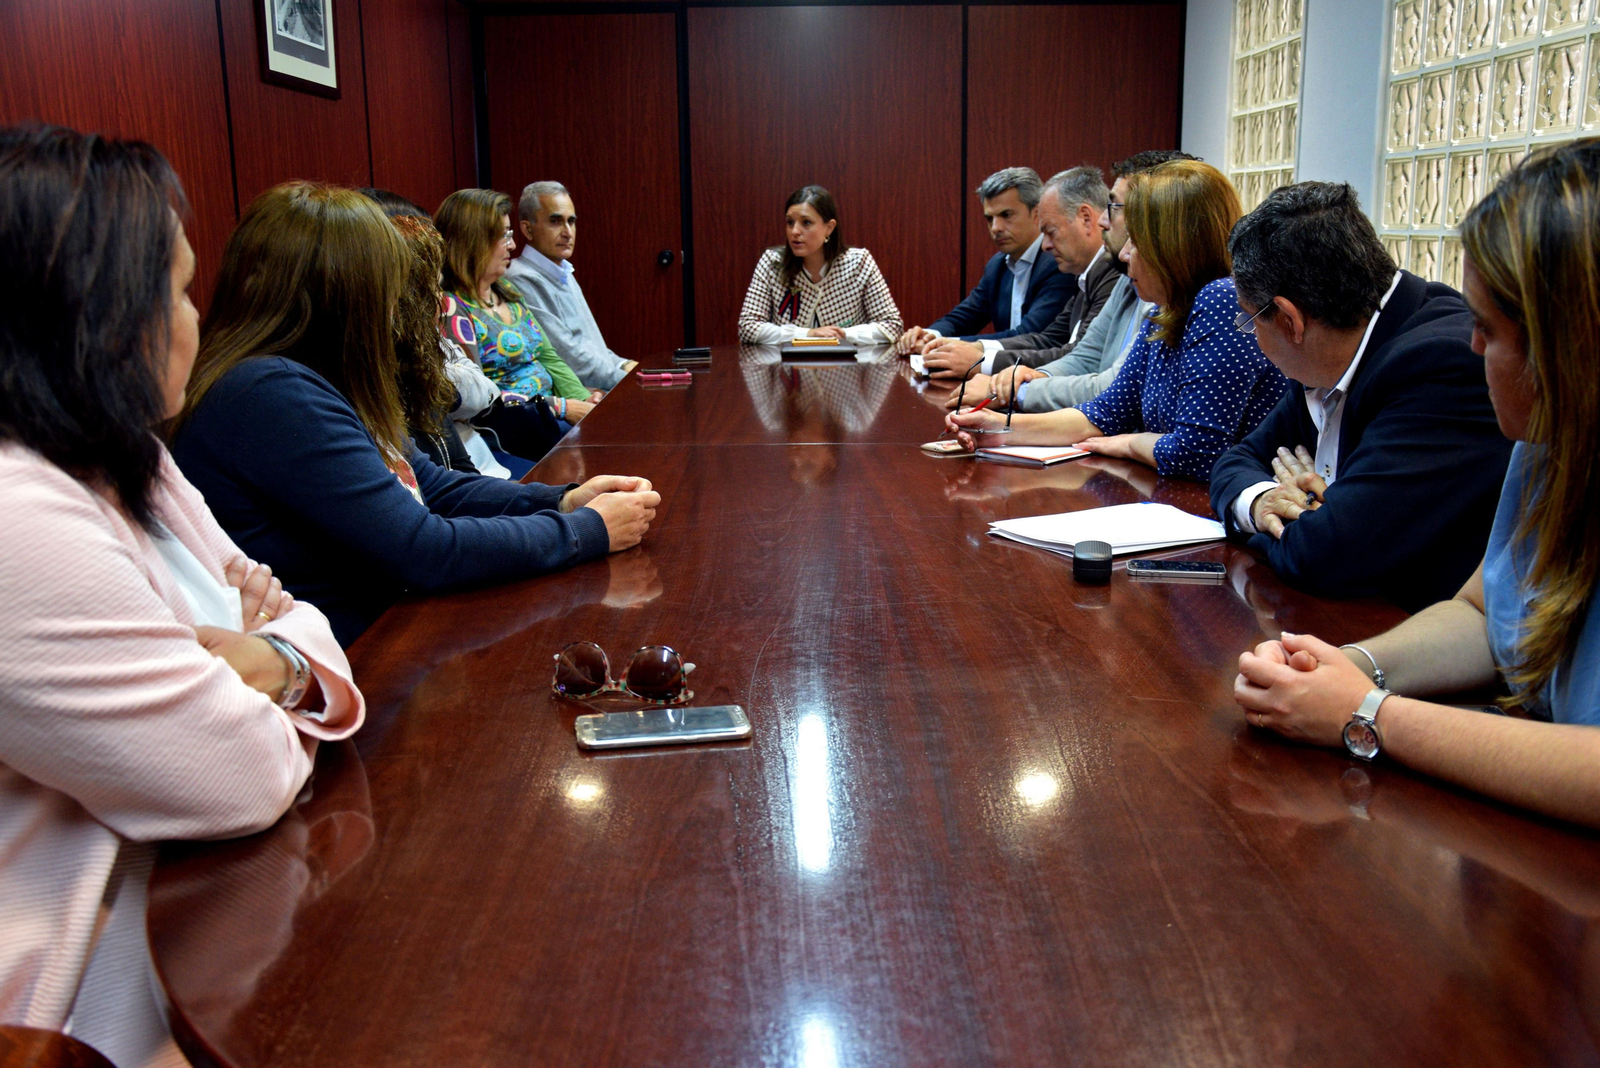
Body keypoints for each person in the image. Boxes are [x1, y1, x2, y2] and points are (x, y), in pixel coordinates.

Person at [0, 125, 364, 1067]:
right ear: (93, 313)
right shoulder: (18, 517)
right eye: (178, 288)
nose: (197, 317)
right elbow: (237, 774)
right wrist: (271, 661)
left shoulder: (137, 455)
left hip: (223, 916)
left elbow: (297, 620)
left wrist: (260, 656)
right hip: (85, 1019)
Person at [1234, 139, 1600, 830]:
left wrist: (1369, 715)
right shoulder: (1545, 436)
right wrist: (1351, 665)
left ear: (1569, 347)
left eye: (1489, 330)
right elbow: (1484, 617)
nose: (1472, 347)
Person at [170, 182, 661, 646]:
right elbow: (420, 549)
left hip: (393, 630)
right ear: (340, 293)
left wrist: (563, 501)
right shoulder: (271, 392)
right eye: (387, 285)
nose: (397, 306)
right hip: (367, 653)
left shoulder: (310, 374)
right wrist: (584, 532)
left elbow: (433, 483)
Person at [1210, 182, 1513, 612]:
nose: (1253, 336)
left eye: (1251, 319)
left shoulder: (1441, 365)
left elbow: (1325, 556)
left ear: (1289, 321)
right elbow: (1235, 461)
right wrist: (1261, 501)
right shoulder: (1330, 349)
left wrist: (1313, 518)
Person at [947, 160, 1288, 481]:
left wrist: (1128, 443)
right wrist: (997, 428)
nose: (1124, 254)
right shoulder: (1163, 310)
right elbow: (1106, 412)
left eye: (1136, 242)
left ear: (1173, 248)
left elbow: (1195, 452)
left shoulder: (1221, 300)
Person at [948, 152, 1194, 412]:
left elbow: (1115, 389)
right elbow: (1084, 355)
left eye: (1114, 207)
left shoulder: (1188, 291)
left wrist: (1016, 391)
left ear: (1155, 214)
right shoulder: (1124, 276)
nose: (1103, 220)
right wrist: (1035, 377)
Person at [437, 188, 598, 467]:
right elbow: (480, 395)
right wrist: (563, 407)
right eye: (504, 235)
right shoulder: (452, 307)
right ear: (474, 240)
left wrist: (584, 400)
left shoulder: (507, 290)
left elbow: (547, 356)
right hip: (515, 430)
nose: (512, 245)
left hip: (550, 417)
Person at [925, 164, 1121, 385]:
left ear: (1086, 218)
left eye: (1051, 232)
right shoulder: (1086, 274)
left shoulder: (1112, 273)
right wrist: (963, 346)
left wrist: (981, 361)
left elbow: (1079, 358)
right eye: (989, 219)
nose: (1046, 245)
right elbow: (1048, 339)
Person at [896, 167, 1072, 353]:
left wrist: (944, 345)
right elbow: (964, 317)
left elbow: (1029, 335)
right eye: (989, 219)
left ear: (1036, 214)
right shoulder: (998, 265)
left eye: (1006, 215)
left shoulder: (1058, 262)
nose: (995, 228)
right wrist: (930, 335)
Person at [503, 181, 637, 391]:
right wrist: (634, 382)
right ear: (527, 230)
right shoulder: (521, 278)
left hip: (600, 388)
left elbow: (591, 348)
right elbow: (573, 360)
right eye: (556, 222)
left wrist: (623, 364)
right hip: (582, 398)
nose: (568, 232)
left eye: (571, 222)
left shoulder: (563, 270)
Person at [736, 185, 904, 345]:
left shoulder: (859, 263)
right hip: (788, 371)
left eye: (806, 222)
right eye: (790, 222)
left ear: (829, 228)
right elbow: (748, 327)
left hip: (848, 370)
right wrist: (807, 334)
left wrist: (843, 334)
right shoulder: (772, 263)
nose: (795, 231)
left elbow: (892, 326)